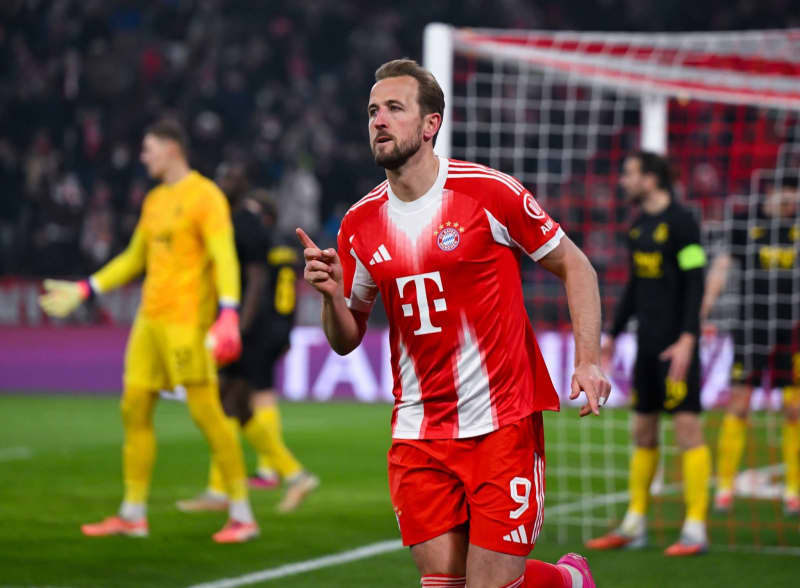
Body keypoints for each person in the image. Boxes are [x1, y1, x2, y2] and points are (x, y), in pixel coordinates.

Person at [297, 58, 610, 588]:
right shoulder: (358, 223)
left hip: (501, 422)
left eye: (395, 108)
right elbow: (346, 339)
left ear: (429, 124)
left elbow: (574, 265)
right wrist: (331, 297)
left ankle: (566, 582)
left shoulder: (488, 193)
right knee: (447, 585)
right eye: (373, 111)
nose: (379, 120)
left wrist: (587, 360)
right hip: (418, 429)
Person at [38, 119, 259, 543]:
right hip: (149, 322)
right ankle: (133, 513)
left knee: (206, 413)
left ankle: (242, 514)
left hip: (186, 321)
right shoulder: (155, 199)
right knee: (133, 409)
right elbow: (133, 257)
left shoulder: (205, 196)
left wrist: (228, 312)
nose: (143, 157)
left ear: (172, 148)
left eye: (148, 148)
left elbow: (224, 256)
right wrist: (87, 288)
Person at [586, 151, 711, 556]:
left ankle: (695, 528)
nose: (624, 181)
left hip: (677, 347)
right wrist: (614, 333)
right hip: (646, 346)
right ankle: (635, 522)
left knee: (688, 429)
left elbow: (696, 281)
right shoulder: (638, 227)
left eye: (631, 174)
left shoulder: (683, 222)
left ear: (652, 179)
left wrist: (689, 339)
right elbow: (637, 287)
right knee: (643, 431)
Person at [177, 164, 318, 514]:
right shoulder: (252, 229)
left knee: (228, 404)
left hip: (245, 330)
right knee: (235, 407)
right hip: (258, 328)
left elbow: (254, 279)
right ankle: (282, 476)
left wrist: (236, 327)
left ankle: (242, 485)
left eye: (227, 179)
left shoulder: (243, 224)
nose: (219, 184)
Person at [701, 175, 800, 514]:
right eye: (786, 194)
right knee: (740, 405)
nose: (791, 201)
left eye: (795, 195)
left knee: (794, 409)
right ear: (771, 194)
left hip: (792, 331)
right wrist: (703, 308)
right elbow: (722, 267)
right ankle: (725, 486)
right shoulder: (747, 224)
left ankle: (794, 490)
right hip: (751, 328)